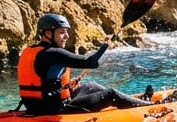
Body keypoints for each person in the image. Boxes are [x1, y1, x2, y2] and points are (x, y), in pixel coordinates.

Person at [17, 13, 162, 115]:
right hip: (55, 108)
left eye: (66, 32)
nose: (66, 36)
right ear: (48, 34)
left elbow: (45, 82)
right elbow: (92, 63)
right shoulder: (53, 53)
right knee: (110, 94)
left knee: (93, 86)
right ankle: (152, 107)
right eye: (62, 32)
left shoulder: (32, 51)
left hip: (36, 105)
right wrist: (105, 45)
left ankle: (139, 100)